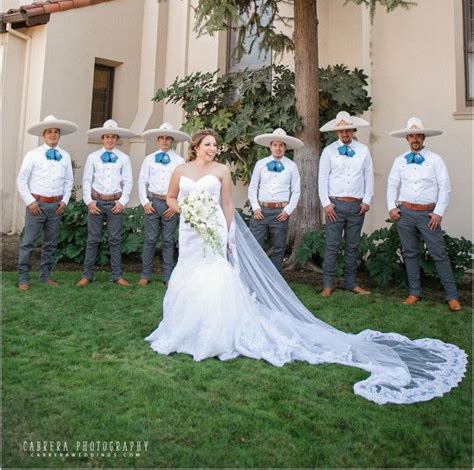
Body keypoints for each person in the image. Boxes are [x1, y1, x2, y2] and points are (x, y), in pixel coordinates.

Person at [145, 128, 466, 405]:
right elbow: (171, 198)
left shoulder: (222, 171)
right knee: (188, 275)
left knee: (216, 276)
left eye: (216, 144)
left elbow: (227, 204)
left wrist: (228, 233)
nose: (213, 148)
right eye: (209, 144)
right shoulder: (180, 170)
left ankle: (213, 332)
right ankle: (185, 329)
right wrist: (187, 206)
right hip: (190, 230)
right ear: (197, 147)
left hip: (214, 227)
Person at [387, 117, 461, 311]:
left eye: (418, 135)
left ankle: (451, 296)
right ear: (407, 139)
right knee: (410, 253)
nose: (415, 139)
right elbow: (392, 184)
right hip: (405, 214)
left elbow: (445, 188)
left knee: (440, 254)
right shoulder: (399, 161)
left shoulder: (436, 160)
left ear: (423, 137)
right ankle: (414, 292)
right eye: (411, 135)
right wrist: (391, 207)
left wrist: (438, 212)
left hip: (428, 214)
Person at [17, 114, 77, 291]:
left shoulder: (65, 156)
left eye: (56, 132)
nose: (53, 135)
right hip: (36, 205)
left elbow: (69, 181)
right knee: (28, 242)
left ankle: (45, 276)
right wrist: (30, 202)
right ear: (43, 135)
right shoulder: (33, 155)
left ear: (59, 135)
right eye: (49, 132)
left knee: (50, 243)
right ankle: (23, 278)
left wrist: (65, 201)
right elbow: (22, 180)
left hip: (56, 207)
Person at [318, 111, 374, 297]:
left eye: (348, 130)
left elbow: (368, 177)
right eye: (341, 131)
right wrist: (326, 203)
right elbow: (323, 178)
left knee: (352, 245)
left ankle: (350, 282)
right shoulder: (329, 151)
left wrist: (366, 200)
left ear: (353, 130)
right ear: (337, 133)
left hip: (357, 206)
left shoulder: (363, 150)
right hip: (335, 205)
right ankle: (328, 283)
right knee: (332, 245)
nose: (345, 134)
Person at [77, 119, 135, 287]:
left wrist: (122, 201)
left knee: (115, 239)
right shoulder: (93, 157)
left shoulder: (124, 158)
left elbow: (128, 181)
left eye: (113, 137)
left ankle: (117, 275)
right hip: (96, 202)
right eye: (107, 137)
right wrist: (89, 201)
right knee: (93, 239)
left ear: (117, 139)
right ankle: (87, 275)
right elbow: (87, 180)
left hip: (114, 203)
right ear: (102, 138)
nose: (110, 140)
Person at [138, 122, 190, 286]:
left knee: (168, 241)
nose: (165, 141)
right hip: (153, 203)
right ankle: (145, 275)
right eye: (162, 138)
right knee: (150, 239)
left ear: (172, 140)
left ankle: (168, 276)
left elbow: (183, 185)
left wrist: (176, 207)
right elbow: (142, 182)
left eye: (168, 138)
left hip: (170, 204)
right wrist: (145, 202)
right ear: (157, 140)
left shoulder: (179, 160)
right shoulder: (149, 159)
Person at [248, 128, 302, 272]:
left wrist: (287, 211)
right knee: (254, 245)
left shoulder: (292, 166)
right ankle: (254, 276)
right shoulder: (261, 164)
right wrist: (255, 208)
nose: (278, 148)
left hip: (280, 212)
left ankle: (276, 281)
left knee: (279, 248)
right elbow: (253, 188)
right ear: (270, 146)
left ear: (285, 147)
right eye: (275, 145)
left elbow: (296, 191)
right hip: (261, 211)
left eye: (281, 145)